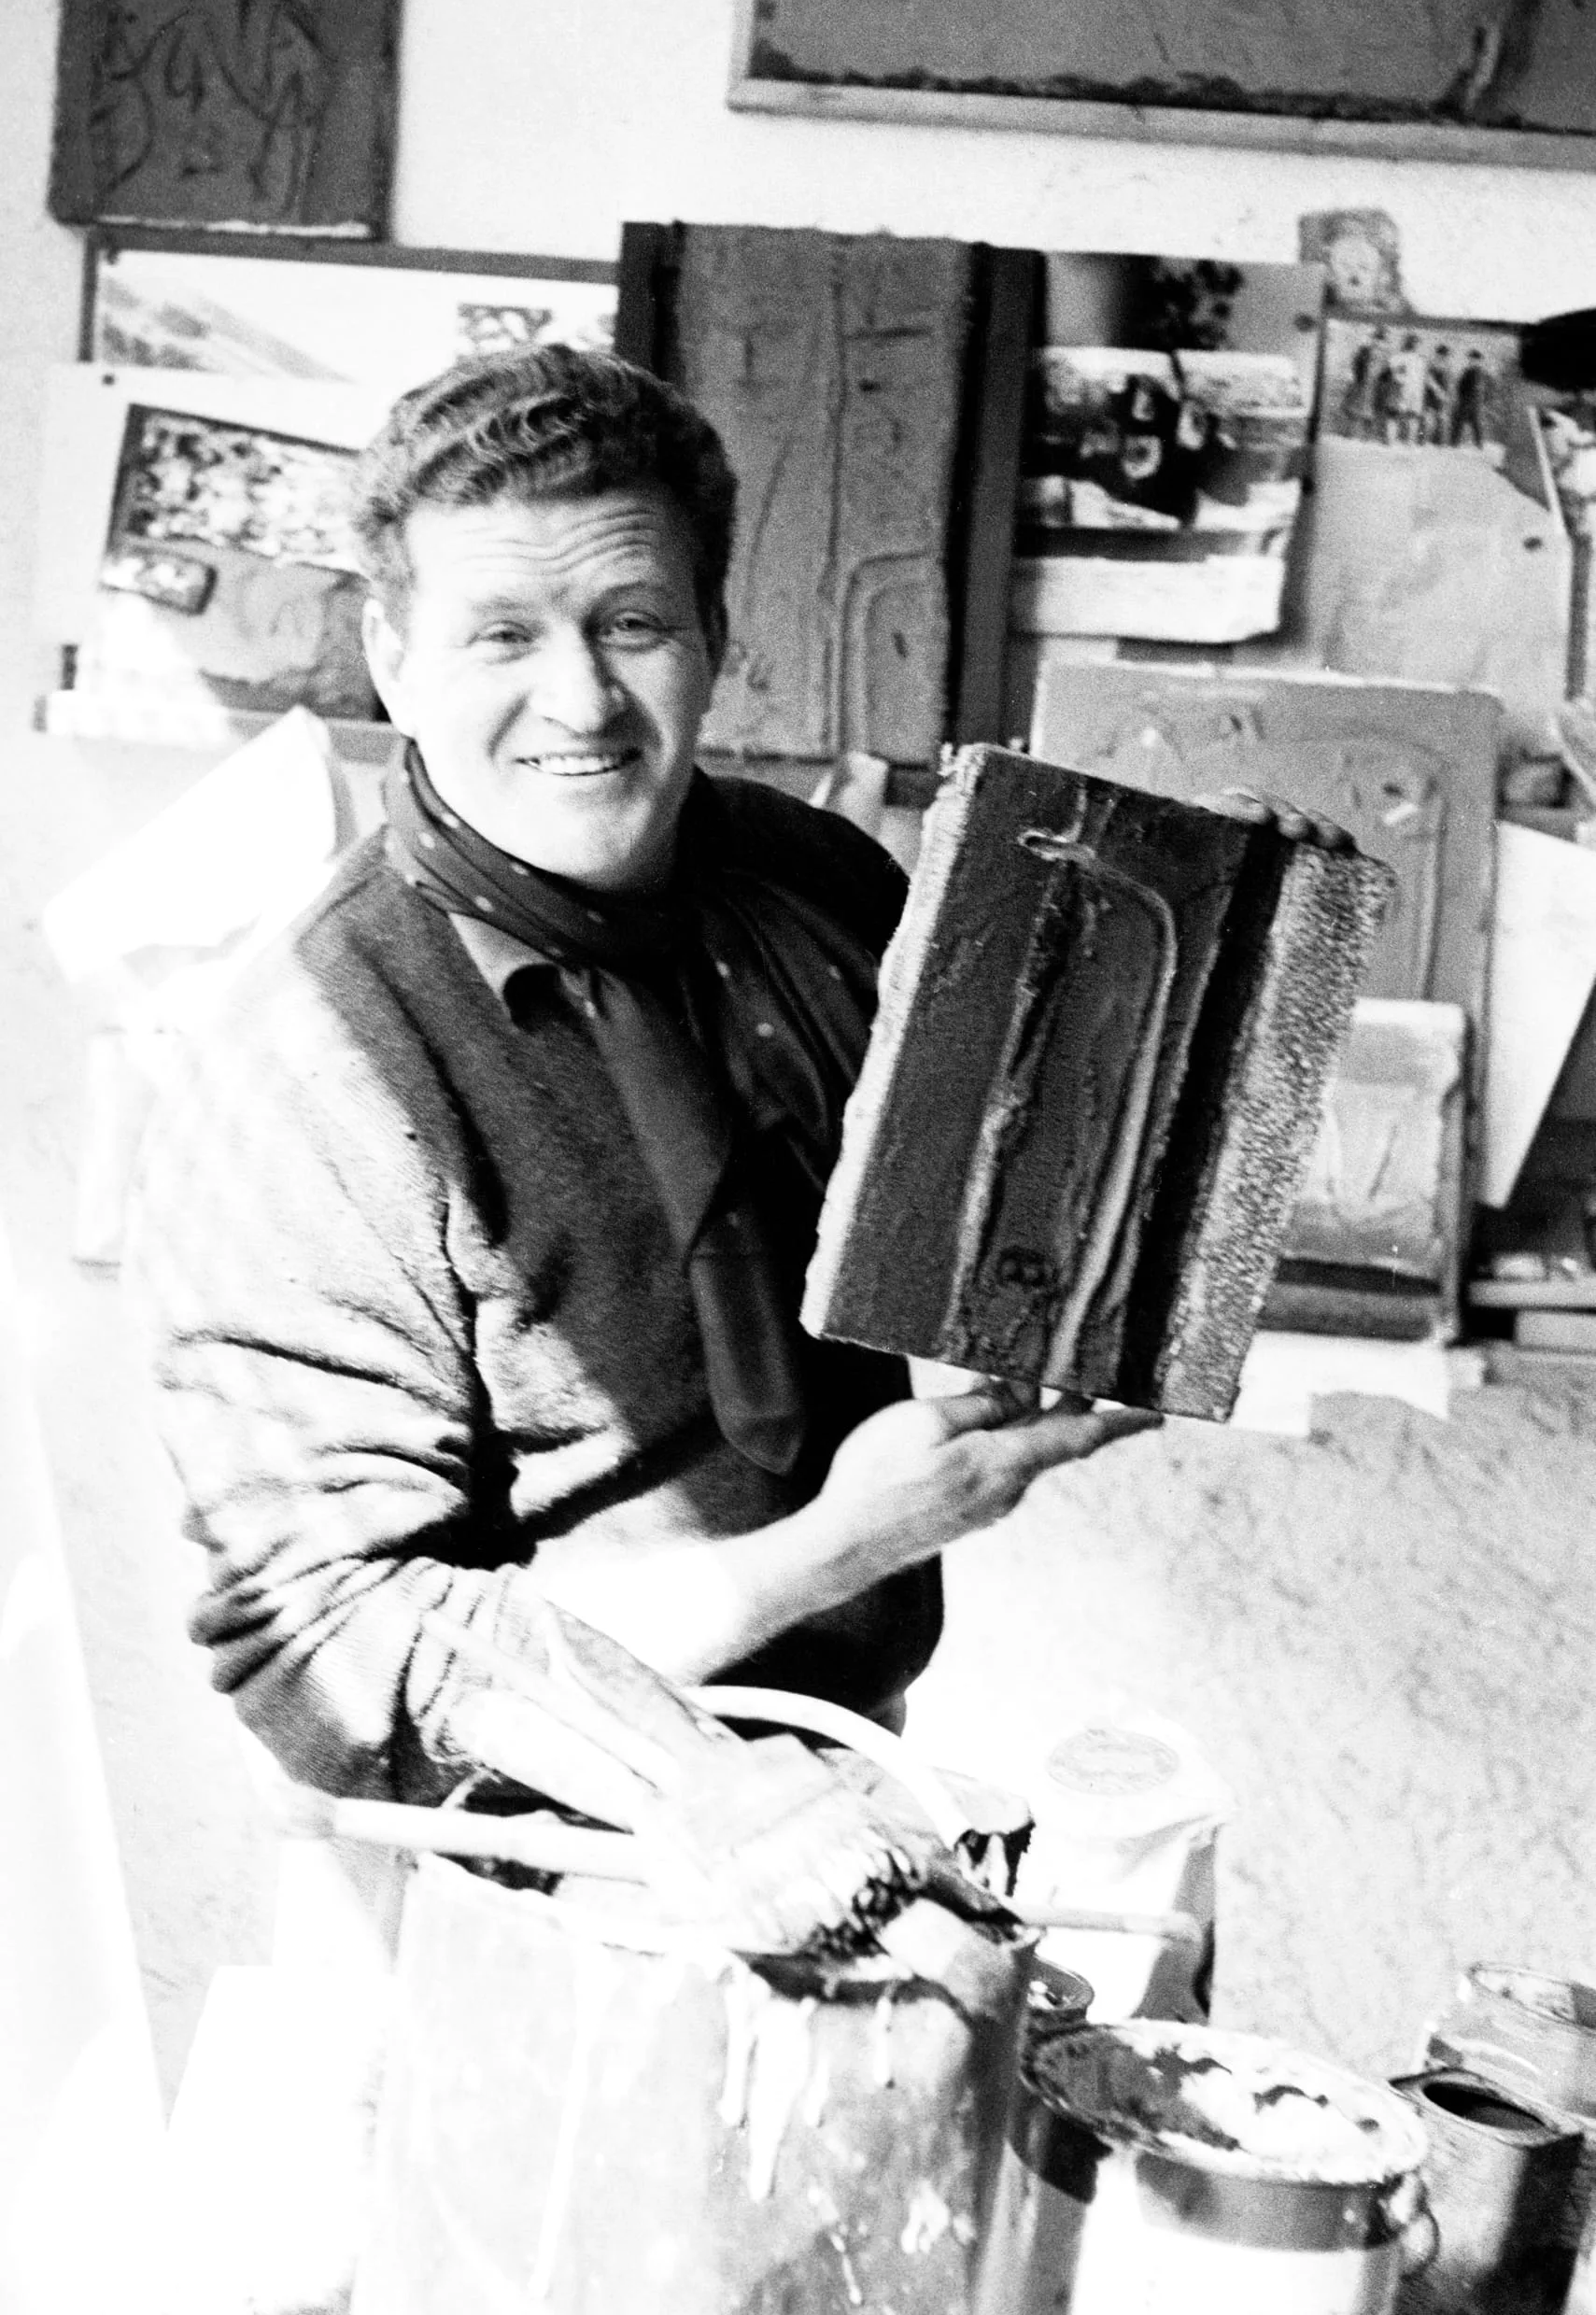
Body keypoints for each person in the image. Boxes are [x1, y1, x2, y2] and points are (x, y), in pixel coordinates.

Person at [127, 346, 1160, 1929]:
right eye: (502, 635)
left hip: (839, 1774)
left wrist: (1189, 977)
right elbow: (331, 1656)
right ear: (392, 659)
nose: (581, 701)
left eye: (631, 624)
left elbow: (1001, 1204)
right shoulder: (303, 1068)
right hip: (502, 1874)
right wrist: (841, 1547)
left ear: (713, 640)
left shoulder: (819, 885)